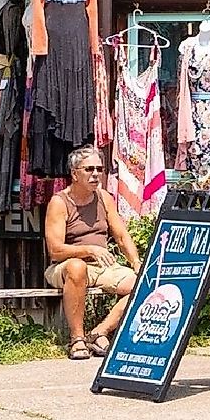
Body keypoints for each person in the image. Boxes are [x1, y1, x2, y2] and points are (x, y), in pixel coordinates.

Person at [44, 146, 141, 359]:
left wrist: (135, 262)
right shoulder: (59, 202)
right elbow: (55, 250)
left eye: (99, 168)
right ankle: (77, 339)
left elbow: (122, 236)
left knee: (141, 284)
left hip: (103, 266)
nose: (96, 174)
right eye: (89, 169)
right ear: (74, 173)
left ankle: (99, 332)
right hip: (66, 266)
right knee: (77, 267)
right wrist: (88, 249)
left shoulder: (104, 198)